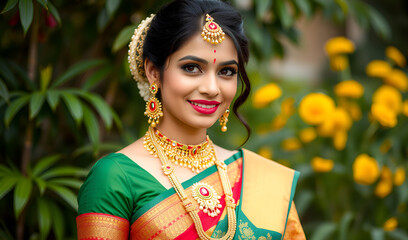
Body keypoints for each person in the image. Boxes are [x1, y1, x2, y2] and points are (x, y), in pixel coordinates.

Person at [76, 0, 305, 239]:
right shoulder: (115, 177)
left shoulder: (262, 178)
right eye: (192, 68)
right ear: (154, 72)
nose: (211, 88)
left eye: (226, 72)